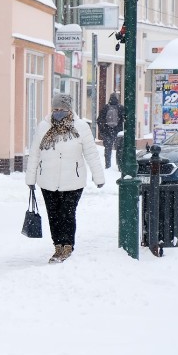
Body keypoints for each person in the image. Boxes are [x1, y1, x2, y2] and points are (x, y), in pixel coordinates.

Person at [27, 93, 105, 264]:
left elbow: (91, 153)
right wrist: (30, 179)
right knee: (53, 215)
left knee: (67, 213)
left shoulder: (81, 127)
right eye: (55, 109)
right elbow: (34, 154)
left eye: (62, 109)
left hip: (73, 180)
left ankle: (67, 245)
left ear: (69, 109)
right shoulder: (44, 126)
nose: (58, 112)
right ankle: (57, 246)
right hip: (47, 179)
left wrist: (98, 177)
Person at [96, 93, 124, 169]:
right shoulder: (120, 107)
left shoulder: (105, 107)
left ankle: (108, 165)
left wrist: (103, 131)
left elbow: (99, 120)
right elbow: (124, 119)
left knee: (108, 149)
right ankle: (119, 165)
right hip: (118, 132)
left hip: (107, 132)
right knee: (119, 149)